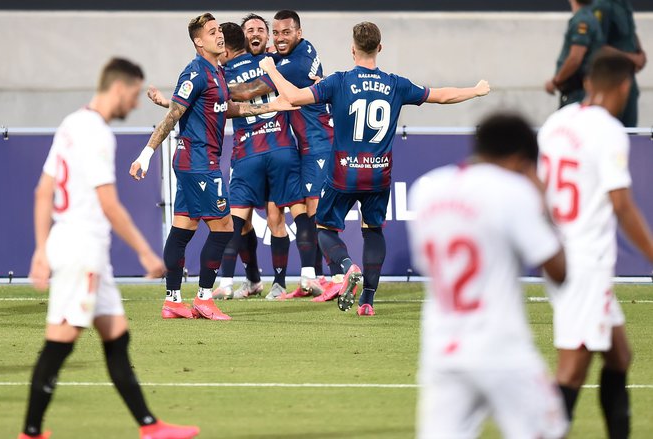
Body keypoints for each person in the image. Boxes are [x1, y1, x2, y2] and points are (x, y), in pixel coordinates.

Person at [20, 58, 199, 439]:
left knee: (117, 335)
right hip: (81, 249)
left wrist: (40, 249)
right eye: (134, 95)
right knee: (60, 341)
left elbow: (43, 191)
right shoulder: (96, 133)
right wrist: (146, 253)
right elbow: (109, 203)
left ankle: (150, 426)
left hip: (81, 250)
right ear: (119, 88)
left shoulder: (71, 124)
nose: (135, 104)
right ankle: (30, 432)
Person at [259, 21, 490, 315]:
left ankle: (345, 266)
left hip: (344, 172)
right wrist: (476, 89)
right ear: (379, 48)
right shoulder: (396, 84)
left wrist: (271, 69)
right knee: (373, 230)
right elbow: (442, 95)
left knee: (325, 228)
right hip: (378, 174)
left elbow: (292, 97)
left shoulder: (338, 81)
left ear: (352, 49)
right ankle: (367, 301)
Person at [407, 113, 568, 439]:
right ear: (521, 159)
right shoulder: (512, 192)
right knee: (551, 431)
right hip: (501, 349)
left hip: (443, 350)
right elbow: (559, 270)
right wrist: (541, 197)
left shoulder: (427, 190)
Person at [129, 13, 297, 319]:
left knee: (182, 229)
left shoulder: (217, 71)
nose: (219, 35)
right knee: (224, 228)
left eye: (219, 30)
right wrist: (146, 153)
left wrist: (271, 105)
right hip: (198, 163)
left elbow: (228, 108)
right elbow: (173, 116)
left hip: (197, 161)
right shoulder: (195, 73)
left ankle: (173, 301)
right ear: (198, 41)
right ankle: (204, 298)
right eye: (211, 32)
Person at [538, 50, 653, 438]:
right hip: (585, 263)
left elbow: (539, 190)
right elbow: (621, 204)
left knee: (619, 356)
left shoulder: (556, 124)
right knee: (572, 370)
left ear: (588, 83)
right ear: (625, 87)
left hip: (558, 256)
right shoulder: (608, 130)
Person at [229, 10, 337, 299]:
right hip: (273, 151)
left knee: (307, 215)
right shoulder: (273, 58)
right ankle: (300, 279)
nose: (278, 38)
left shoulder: (288, 64)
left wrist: (216, 91)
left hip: (304, 147)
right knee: (262, 217)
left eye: (282, 32)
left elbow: (247, 91)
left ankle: (327, 277)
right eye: (275, 33)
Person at [592, 0, 647, 126]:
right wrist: (632, 58)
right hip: (611, 79)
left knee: (630, 129)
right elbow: (599, 46)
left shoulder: (624, 4)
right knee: (610, 126)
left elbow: (630, 33)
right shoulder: (602, 6)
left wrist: (640, 52)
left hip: (628, 76)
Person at [546, 0, 604, 107]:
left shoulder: (582, 20)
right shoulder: (589, 17)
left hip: (577, 92)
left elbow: (575, 59)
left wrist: (555, 81)